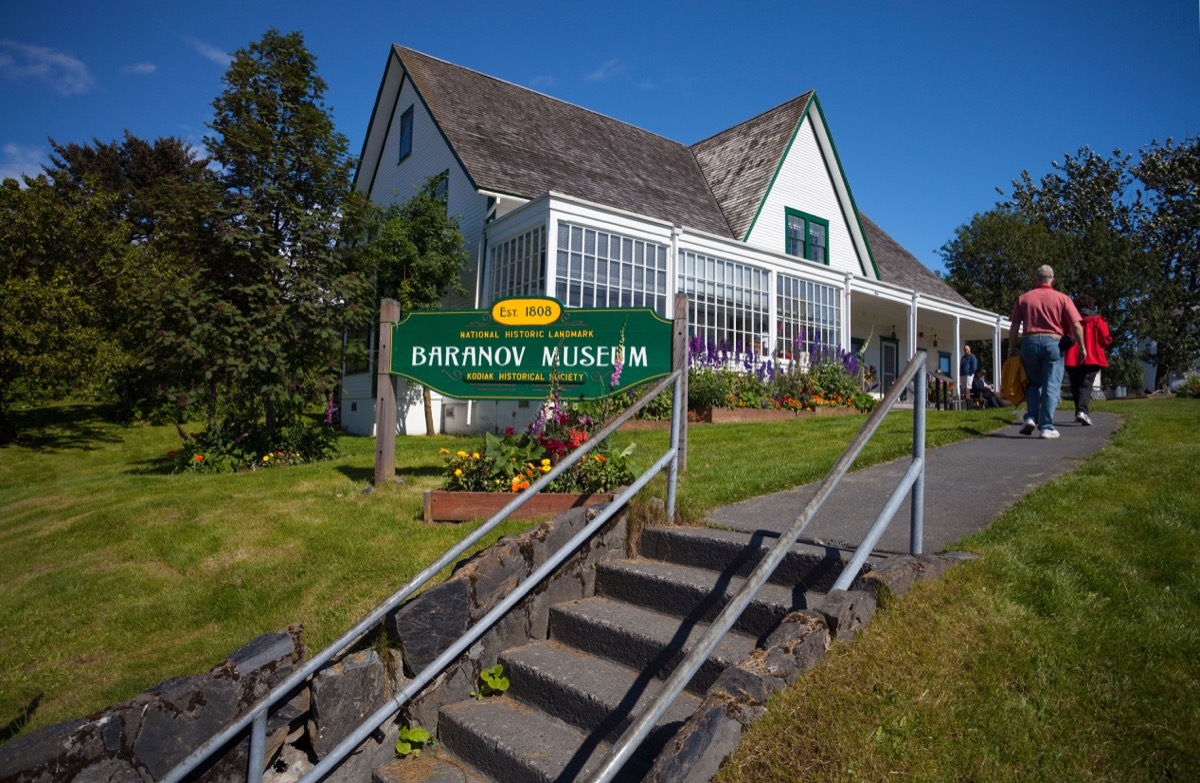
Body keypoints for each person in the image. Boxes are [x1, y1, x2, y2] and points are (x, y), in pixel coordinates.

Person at [1007, 265, 1085, 439]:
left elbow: (1014, 326)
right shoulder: (1062, 298)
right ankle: (1047, 426)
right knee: (1052, 384)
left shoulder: (1024, 298)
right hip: (1053, 343)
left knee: (1033, 383)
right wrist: (1082, 347)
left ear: (1035, 280)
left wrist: (1012, 348)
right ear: (1053, 280)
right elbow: (1076, 326)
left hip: (1029, 342)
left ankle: (1031, 417)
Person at [1064, 294, 1112, 426]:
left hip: (1072, 357)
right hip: (1092, 357)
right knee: (1086, 384)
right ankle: (1082, 412)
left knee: (1075, 385)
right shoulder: (1098, 321)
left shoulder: (1070, 320)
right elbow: (1105, 339)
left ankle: (1079, 411)